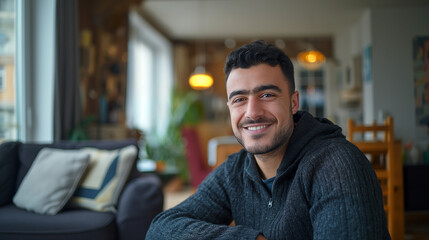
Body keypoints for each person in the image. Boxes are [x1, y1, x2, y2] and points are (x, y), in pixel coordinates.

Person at [146, 40, 390, 240]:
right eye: (239, 99)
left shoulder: (338, 165)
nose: (252, 112)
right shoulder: (235, 171)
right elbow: (161, 229)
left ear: (293, 102)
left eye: (267, 94)